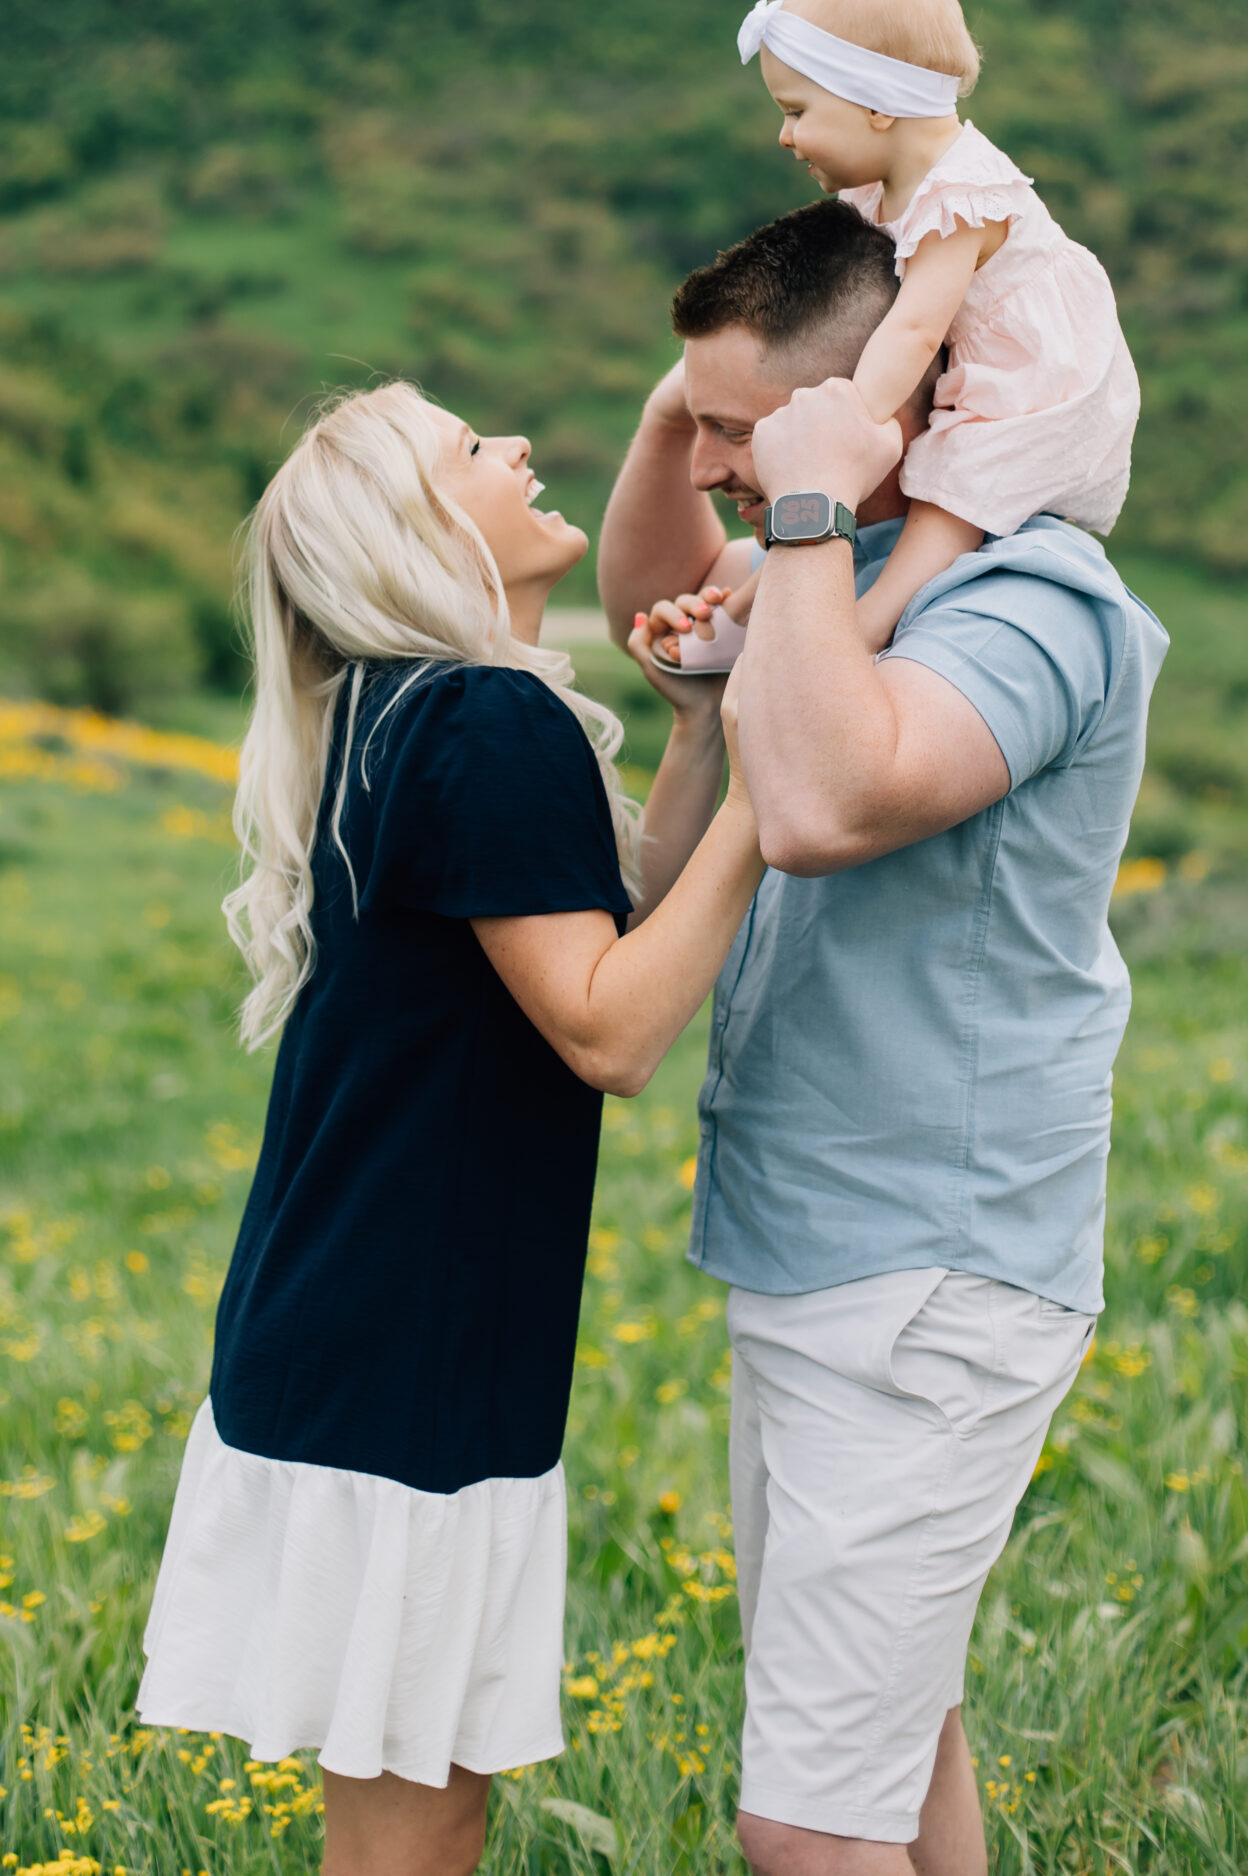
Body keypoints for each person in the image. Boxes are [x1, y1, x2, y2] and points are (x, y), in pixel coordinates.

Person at [598, 201, 1167, 1876]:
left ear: (873, 428)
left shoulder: (1031, 604)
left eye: (732, 432)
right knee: (893, 1745)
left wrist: (796, 503)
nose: (710, 468)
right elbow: (647, 599)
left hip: (929, 1272)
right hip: (828, 1250)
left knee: (803, 1828)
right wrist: (686, 424)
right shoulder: (832, 569)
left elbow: (834, 800)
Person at [137, 380, 764, 1876]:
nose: (521, 449)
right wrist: (776, 793)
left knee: (431, 1792)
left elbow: (594, 931)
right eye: (473, 451)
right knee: (421, 1811)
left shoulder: (415, 709)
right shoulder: (482, 720)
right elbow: (610, 1026)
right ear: (415, 529)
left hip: (372, 1315)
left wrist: (702, 743)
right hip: (407, 1338)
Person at [674, 0, 1138, 674]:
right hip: (966, 361)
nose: (785, 137)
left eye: (797, 112)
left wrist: (845, 423)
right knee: (874, 491)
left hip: (1030, 373)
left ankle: (866, 626)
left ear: (878, 103)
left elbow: (917, 326)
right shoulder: (880, 186)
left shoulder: (960, 193)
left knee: (951, 490)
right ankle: (741, 610)